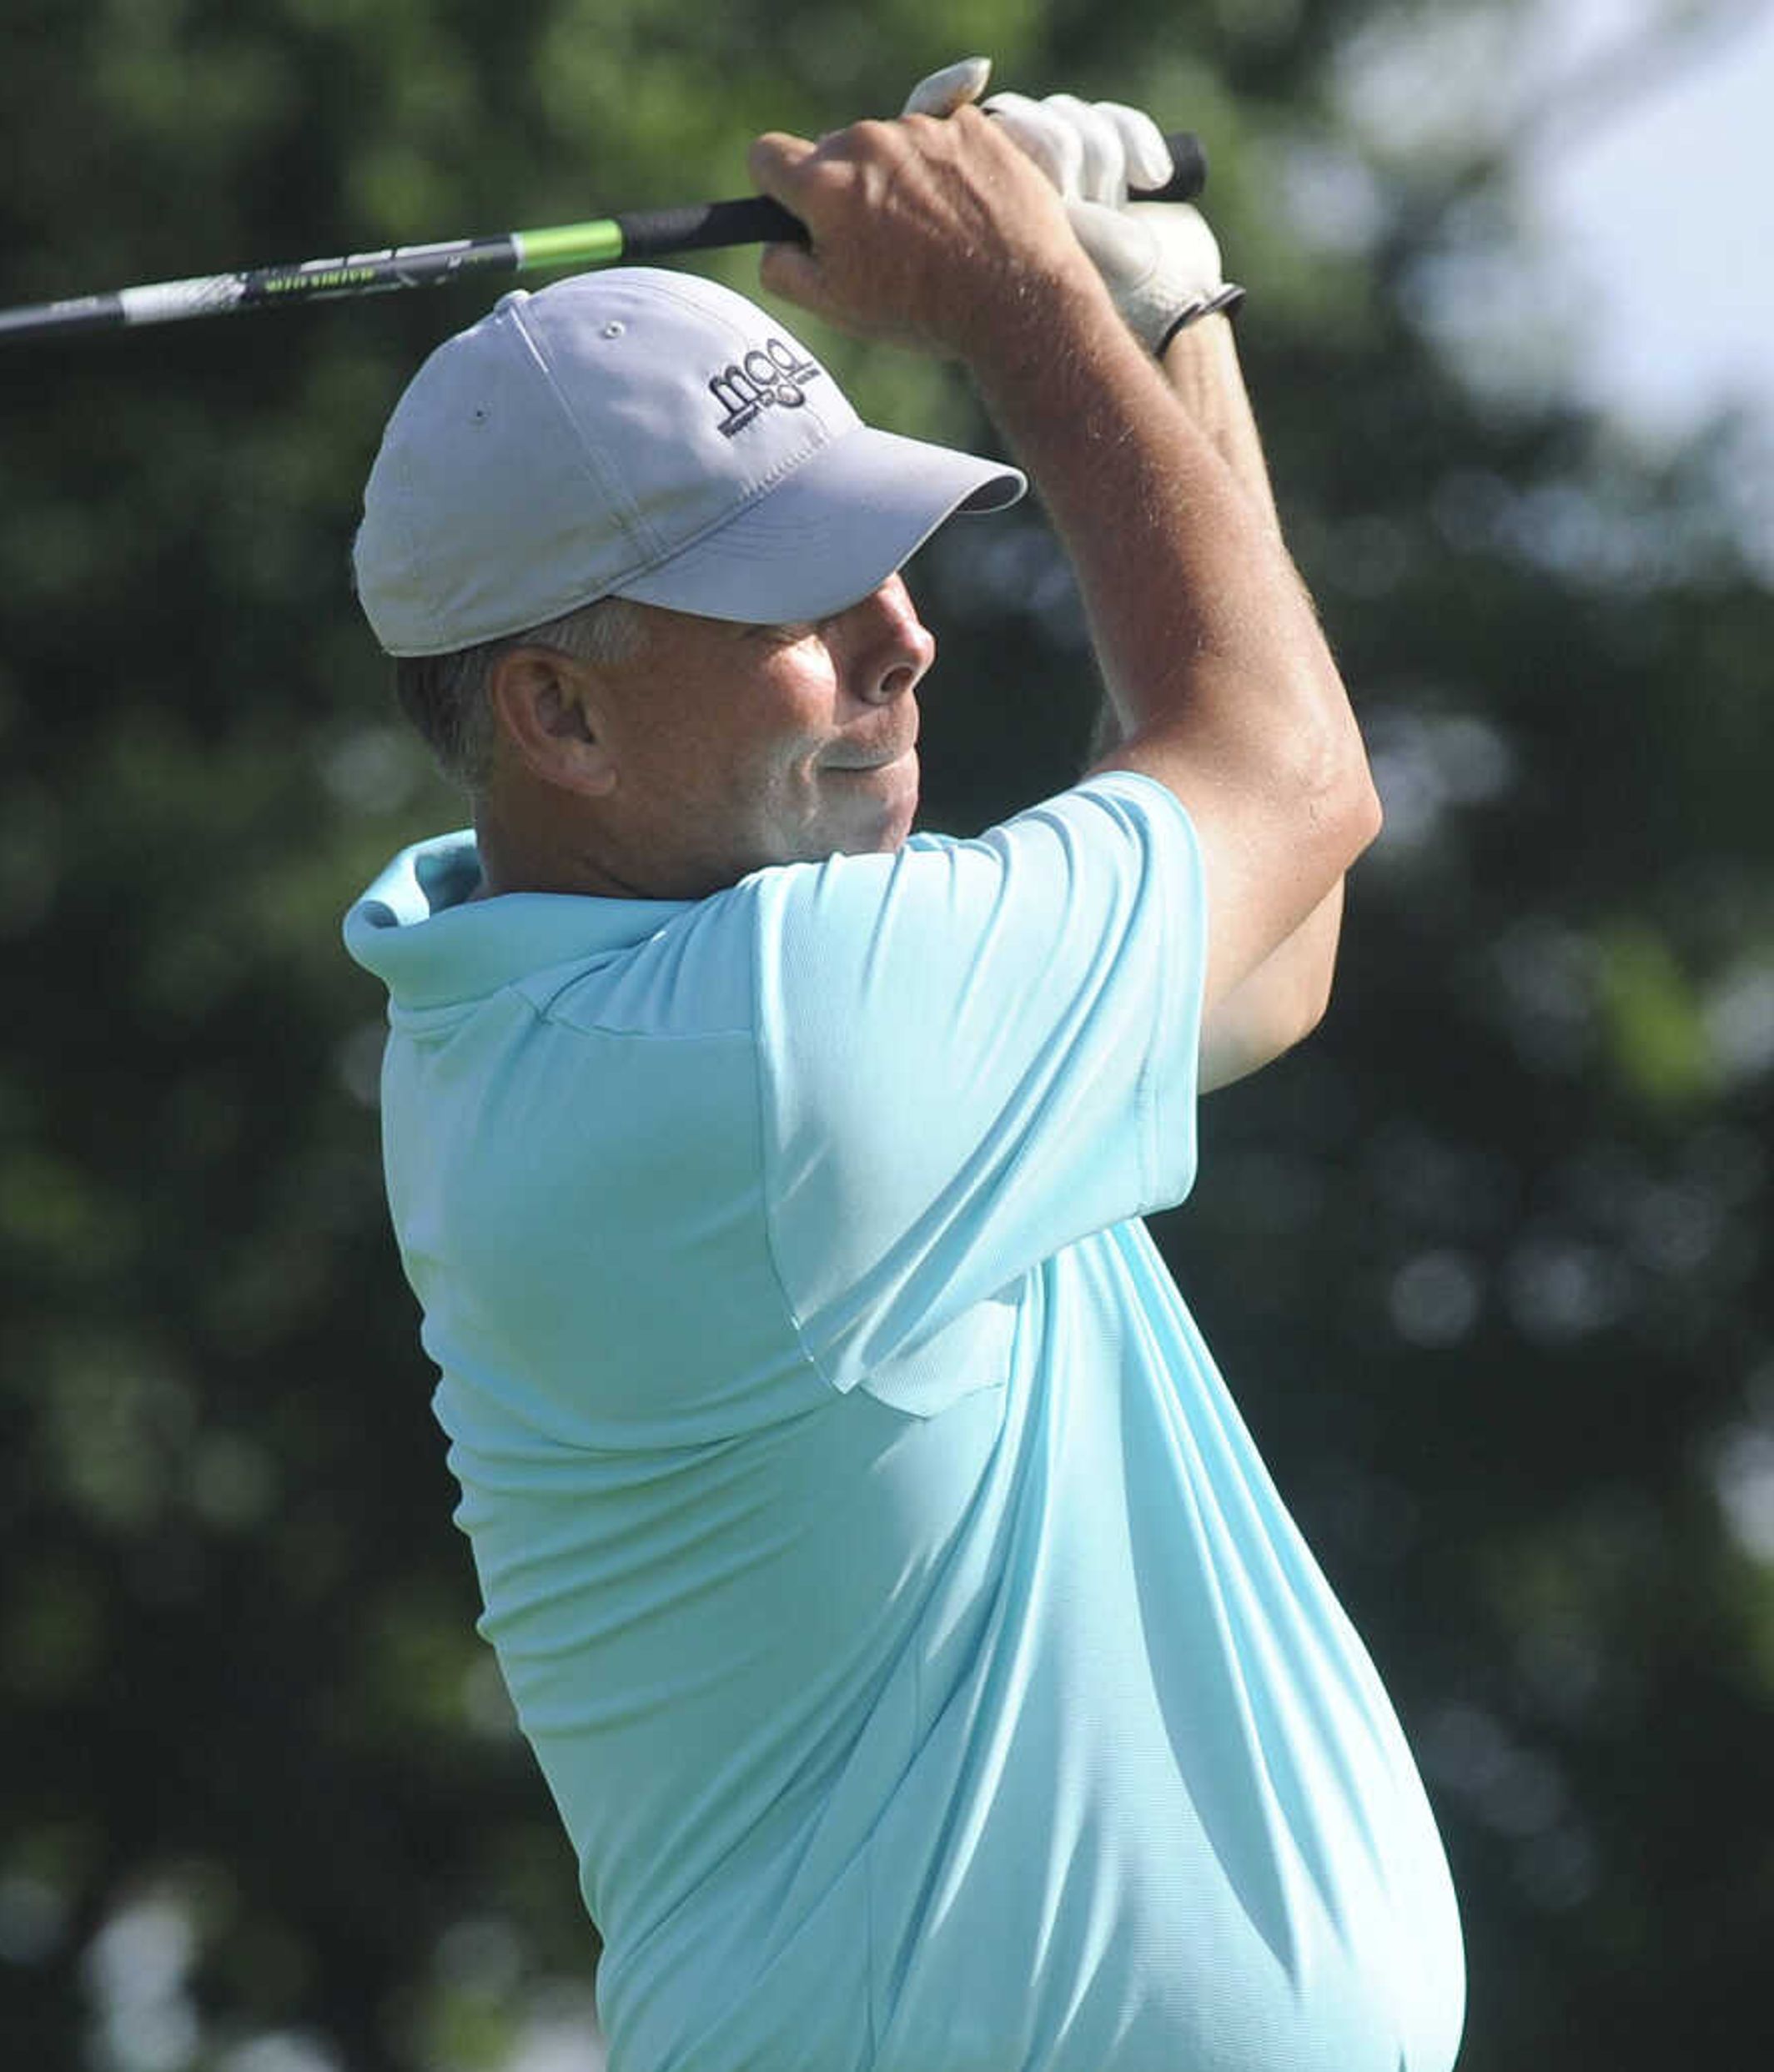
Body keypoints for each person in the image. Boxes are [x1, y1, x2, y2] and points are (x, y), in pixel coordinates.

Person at [339, 62, 1466, 2072]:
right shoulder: (759, 1054)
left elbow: (1268, 948)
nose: (905, 639)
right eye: (794, 593)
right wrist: (1034, 312)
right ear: (557, 714)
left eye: (885, 557)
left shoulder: (665, 1012)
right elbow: (1289, 780)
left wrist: (1151, 317)